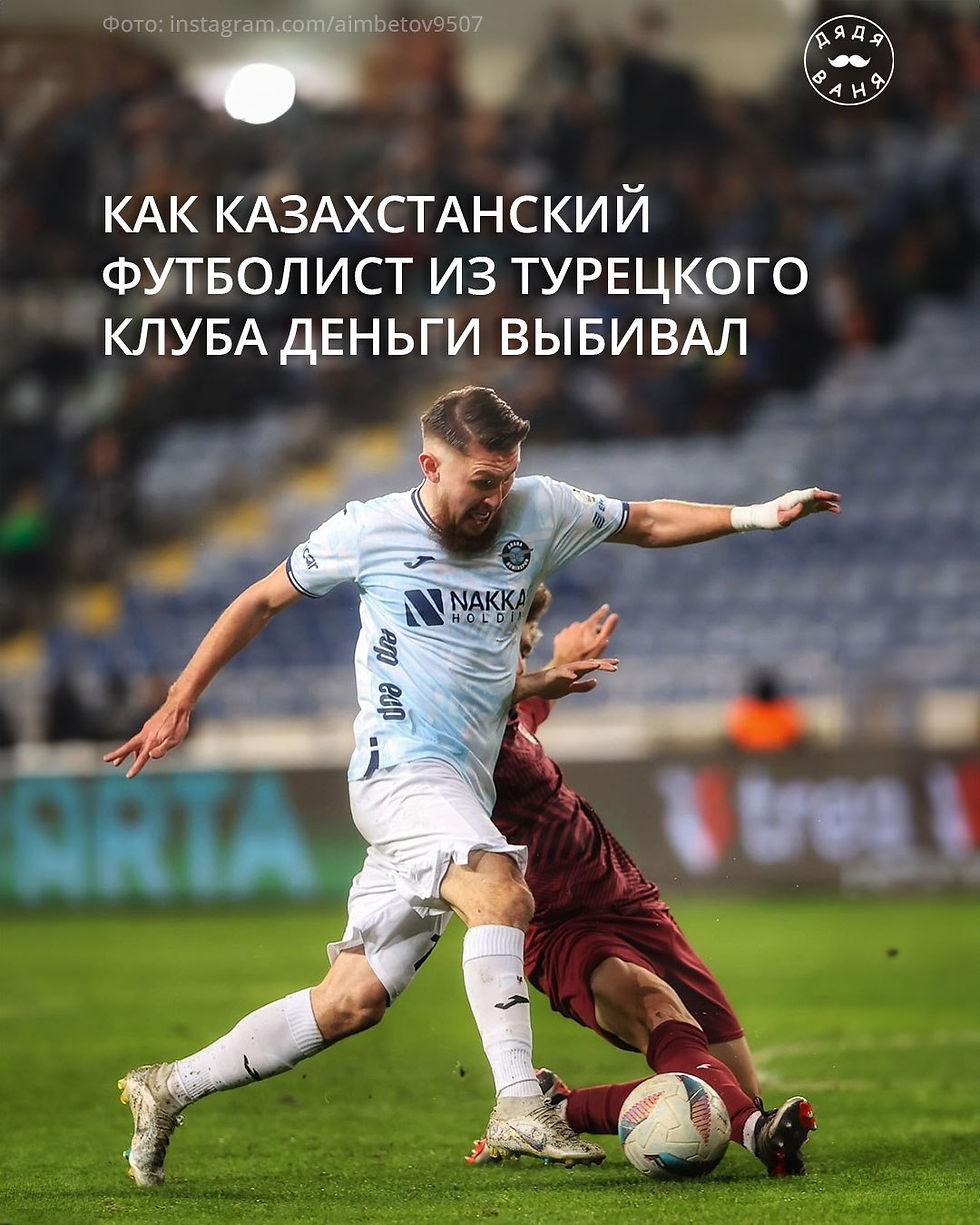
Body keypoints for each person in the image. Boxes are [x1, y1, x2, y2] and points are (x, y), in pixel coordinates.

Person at [105, 385, 838, 1186]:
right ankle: (520, 1103)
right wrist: (180, 699)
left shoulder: (539, 509)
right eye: (482, 480)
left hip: (458, 791)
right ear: (431, 465)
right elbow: (259, 600)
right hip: (399, 771)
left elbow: (649, 520)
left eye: (507, 477)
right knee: (502, 891)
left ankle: (169, 1085)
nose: (496, 497)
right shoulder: (368, 528)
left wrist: (755, 515)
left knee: (352, 999)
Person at [466, 587, 816, 1176]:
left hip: (631, 901)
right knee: (657, 1010)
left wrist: (559, 658)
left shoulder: (512, 715)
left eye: (525, 649)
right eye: (512, 648)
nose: (520, 663)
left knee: (732, 1092)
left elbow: (528, 708)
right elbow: (489, 707)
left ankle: (559, 1108)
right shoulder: (459, 733)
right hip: (559, 924)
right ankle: (760, 1136)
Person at [725, 668, 805, 753]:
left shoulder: (746, 710)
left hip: (751, 751)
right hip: (780, 752)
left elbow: (736, 735)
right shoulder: (784, 709)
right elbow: (794, 734)